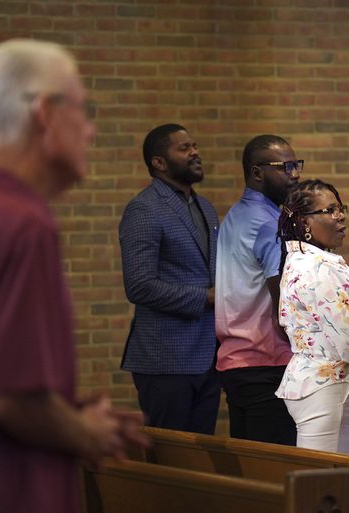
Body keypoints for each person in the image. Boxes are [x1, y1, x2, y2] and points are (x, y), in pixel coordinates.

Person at [0, 39, 147, 513]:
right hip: (10, 489)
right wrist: (86, 431)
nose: (89, 131)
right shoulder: (23, 223)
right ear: (45, 112)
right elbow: (13, 398)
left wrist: (68, 411)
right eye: (83, 111)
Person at [119, 123, 221, 434]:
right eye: (184, 148)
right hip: (166, 359)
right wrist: (206, 297)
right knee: (172, 461)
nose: (195, 153)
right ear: (158, 162)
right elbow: (139, 285)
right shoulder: (144, 209)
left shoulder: (204, 206)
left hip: (208, 355)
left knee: (200, 460)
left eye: (195, 146)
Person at [274, 179, 349, 455]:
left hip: (323, 385)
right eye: (329, 210)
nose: (340, 216)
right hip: (334, 389)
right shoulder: (319, 269)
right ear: (304, 221)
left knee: (325, 484)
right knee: (331, 484)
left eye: (341, 208)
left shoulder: (303, 261)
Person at [215, 134, 301, 444]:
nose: (295, 174)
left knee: (252, 470)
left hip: (237, 361)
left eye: (296, 165)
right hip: (267, 361)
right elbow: (284, 303)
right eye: (285, 166)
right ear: (257, 172)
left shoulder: (235, 216)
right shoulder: (267, 222)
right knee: (275, 473)